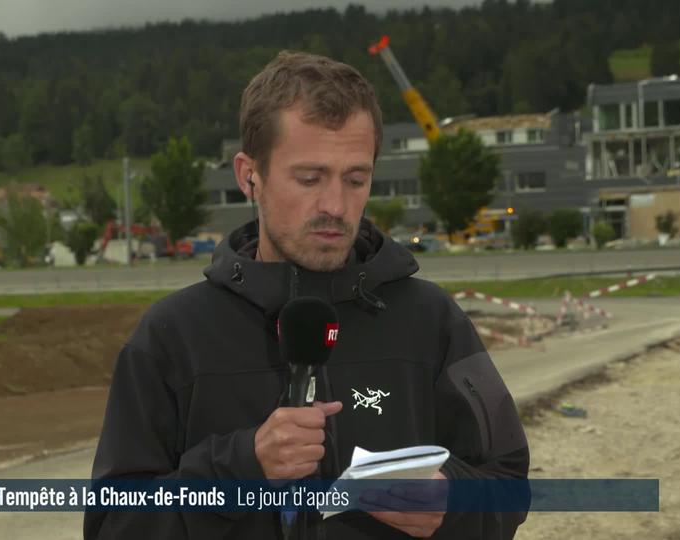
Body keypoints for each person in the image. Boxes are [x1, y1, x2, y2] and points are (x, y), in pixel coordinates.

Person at [85, 51, 529, 539]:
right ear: (248, 175)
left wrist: (453, 504)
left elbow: (509, 482)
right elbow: (112, 528)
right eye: (309, 179)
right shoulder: (172, 337)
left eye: (356, 179)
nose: (335, 206)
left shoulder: (432, 319)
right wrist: (237, 468)